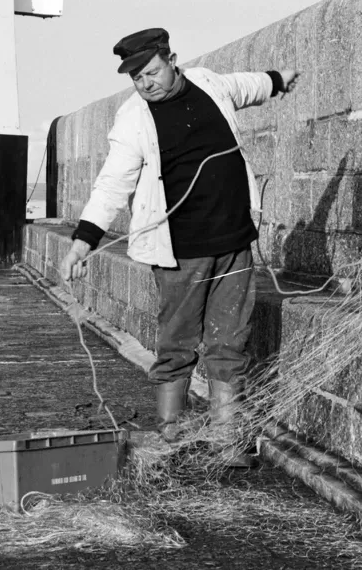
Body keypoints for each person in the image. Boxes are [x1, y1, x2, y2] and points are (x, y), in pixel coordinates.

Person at [61, 28, 299, 466]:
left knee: (230, 341)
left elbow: (245, 85)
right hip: (179, 253)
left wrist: (278, 79)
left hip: (234, 244)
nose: (146, 83)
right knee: (178, 344)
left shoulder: (208, 82)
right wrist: (83, 241)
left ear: (172, 59)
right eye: (137, 78)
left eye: (152, 72)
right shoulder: (133, 119)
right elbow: (113, 183)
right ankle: (172, 433)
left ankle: (227, 441)